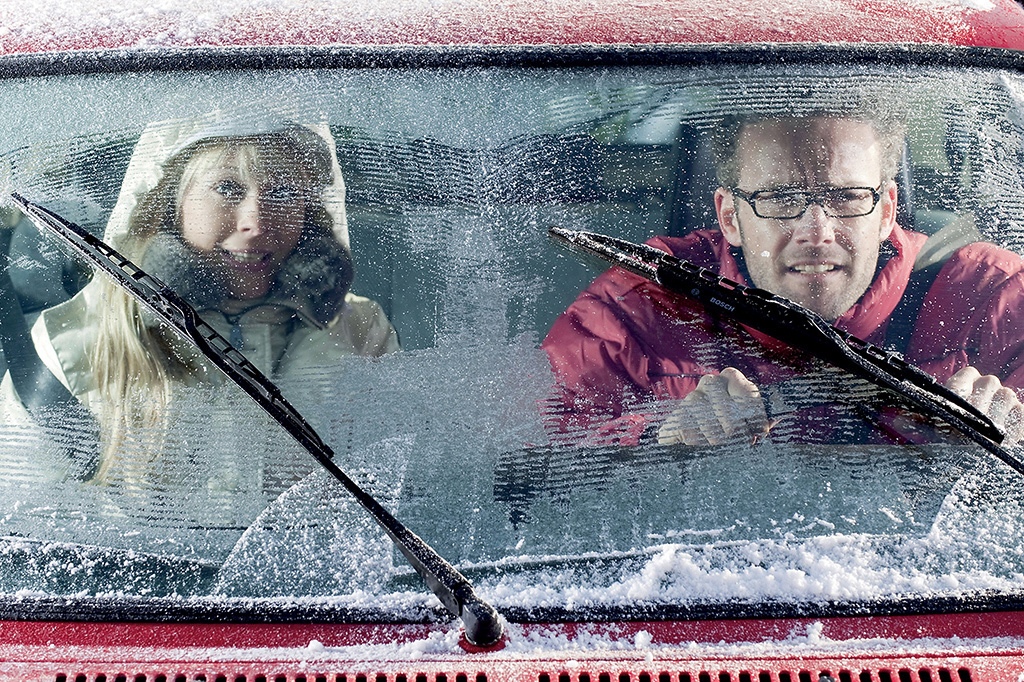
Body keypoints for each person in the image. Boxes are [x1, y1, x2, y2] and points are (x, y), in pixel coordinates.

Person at [542, 114, 1024, 447]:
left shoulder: (994, 299)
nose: (817, 233)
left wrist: (1010, 427)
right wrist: (658, 434)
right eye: (778, 197)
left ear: (887, 212)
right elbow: (523, 464)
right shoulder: (641, 306)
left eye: (848, 197)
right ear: (729, 216)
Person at [0, 112, 399, 488]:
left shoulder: (361, 333)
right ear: (171, 202)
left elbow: (398, 487)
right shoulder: (73, 344)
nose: (255, 222)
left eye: (283, 192)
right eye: (227, 188)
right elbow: (22, 517)